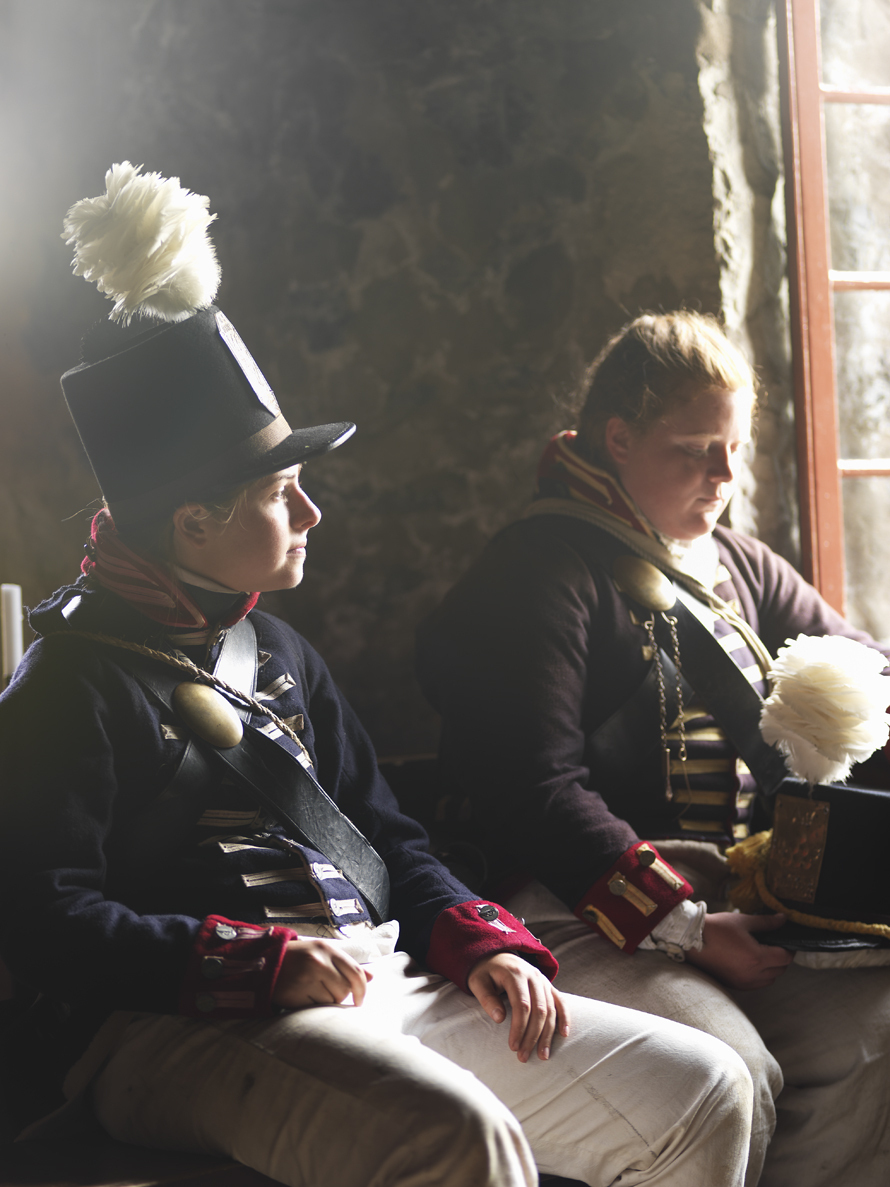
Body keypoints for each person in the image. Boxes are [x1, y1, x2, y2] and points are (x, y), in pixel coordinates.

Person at [0, 170, 754, 1187]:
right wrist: (253, 961)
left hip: (378, 979)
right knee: (455, 1138)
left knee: (705, 1088)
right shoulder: (64, 690)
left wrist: (477, 942)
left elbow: (386, 835)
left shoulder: (278, 654)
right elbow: (47, 921)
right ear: (193, 524)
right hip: (163, 1033)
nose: (310, 514)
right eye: (280, 492)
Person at [416, 310, 890, 1187]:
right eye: (694, 448)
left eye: (734, 448)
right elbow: (533, 788)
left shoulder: (737, 567)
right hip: (574, 907)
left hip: (728, 902)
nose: (724, 474)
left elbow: (870, 673)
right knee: (728, 1070)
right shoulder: (541, 570)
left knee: (877, 1030)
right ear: (619, 438)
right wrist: (685, 927)